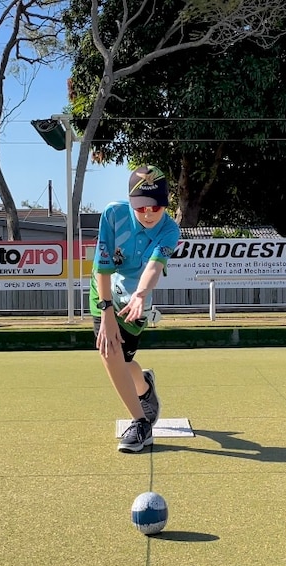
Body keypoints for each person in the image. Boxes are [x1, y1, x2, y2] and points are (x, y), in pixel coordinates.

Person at [91, 165, 181, 453]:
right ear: (131, 203)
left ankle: (145, 385)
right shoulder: (113, 214)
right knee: (109, 352)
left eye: (156, 206)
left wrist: (141, 295)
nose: (149, 213)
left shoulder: (170, 230)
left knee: (125, 361)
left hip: (136, 301)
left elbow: (154, 266)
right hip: (104, 293)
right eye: (141, 207)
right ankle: (141, 423)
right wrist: (105, 311)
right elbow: (101, 268)